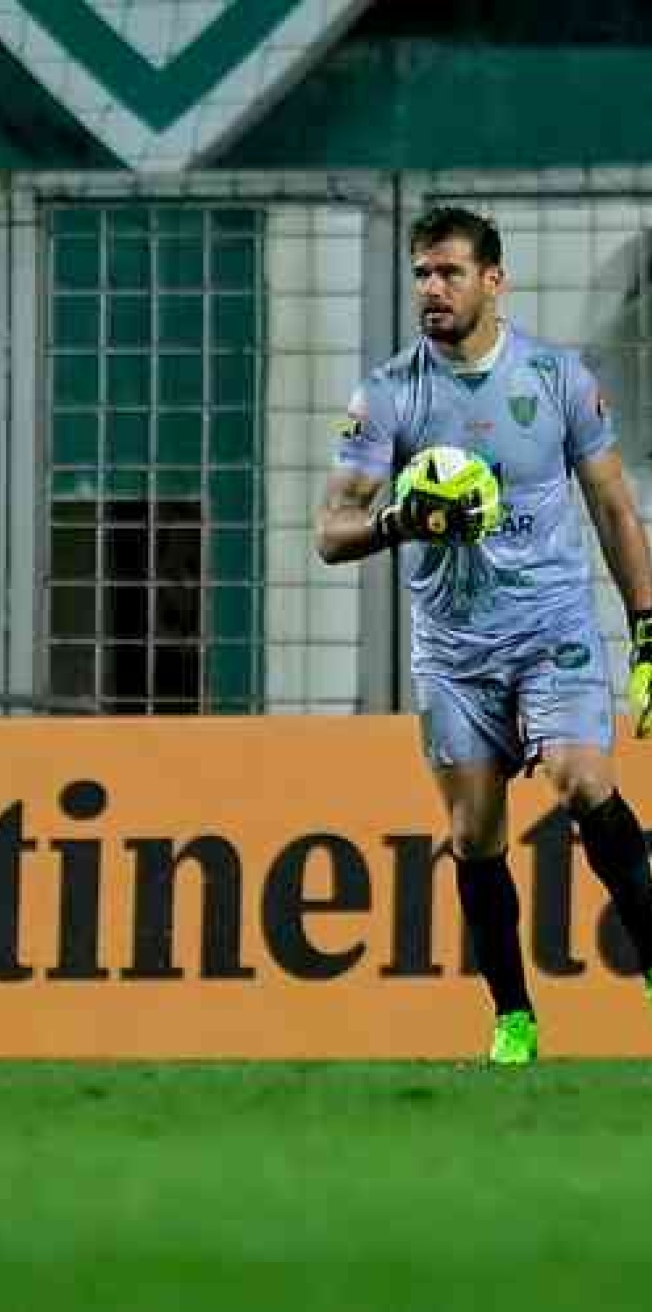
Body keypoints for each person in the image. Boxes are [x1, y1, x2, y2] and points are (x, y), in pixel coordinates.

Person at [315, 205, 652, 1065]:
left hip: (553, 631)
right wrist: (402, 519)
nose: (432, 288)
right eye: (422, 273)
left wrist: (648, 627)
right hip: (455, 653)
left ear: (492, 281)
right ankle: (514, 1018)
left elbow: (614, 507)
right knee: (473, 836)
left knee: (582, 782)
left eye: (450, 273)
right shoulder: (388, 394)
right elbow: (331, 531)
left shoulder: (557, 379)